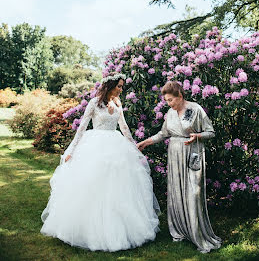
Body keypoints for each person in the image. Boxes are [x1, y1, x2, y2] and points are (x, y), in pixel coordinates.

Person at [41, 72, 159, 252]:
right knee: (93, 186)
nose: (121, 89)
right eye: (119, 86)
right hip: (95, 146)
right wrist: (71, 150)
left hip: (116, 145)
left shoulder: (118, 103)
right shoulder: (94, 103)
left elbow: (124, 127)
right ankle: (89, 230)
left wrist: (134, 148)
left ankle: (120, 229)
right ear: (110, 85)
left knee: (118, 188)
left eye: (122, 86)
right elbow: (82, 127)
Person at [137, 81, 222, 254]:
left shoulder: (195, 109)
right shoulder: (170, 112)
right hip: (175, 155)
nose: (168, 104)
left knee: (192, 193)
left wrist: (197, 136)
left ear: (180, 96)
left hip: (191, 155)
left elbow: (210, 132)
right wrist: (146, 142)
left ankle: (196, 233)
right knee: (177, 192)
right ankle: (180, 231)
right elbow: (164, 133)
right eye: (167, 101)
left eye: (170, 100)